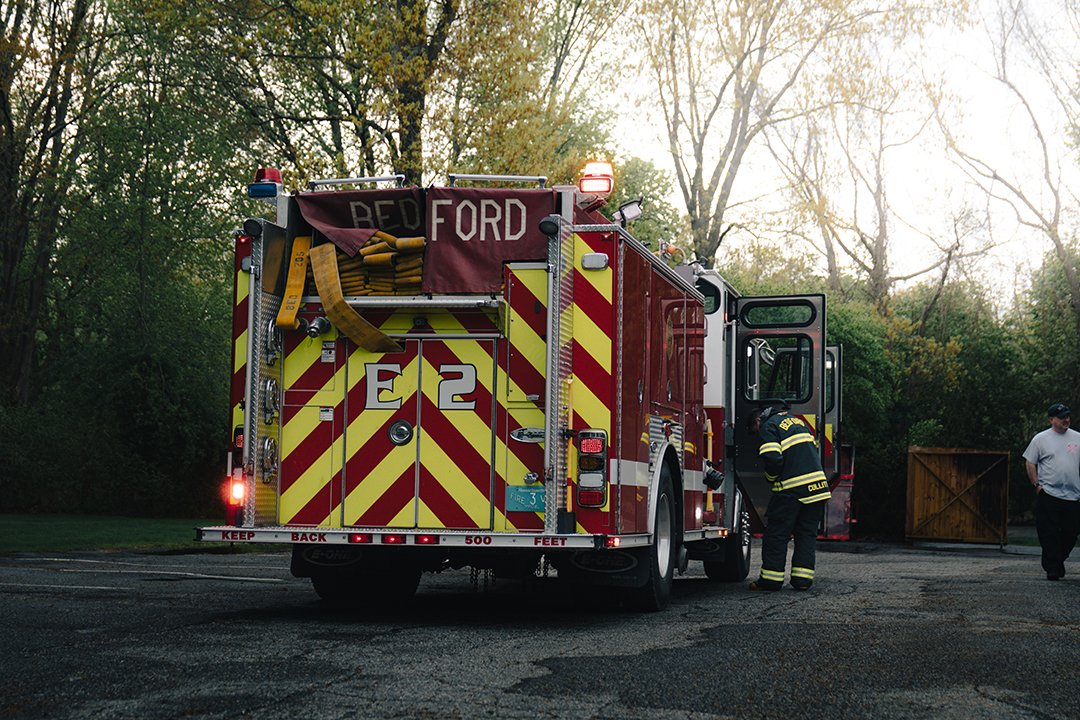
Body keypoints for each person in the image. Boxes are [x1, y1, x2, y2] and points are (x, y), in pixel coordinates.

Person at [747, 405, 831, 591]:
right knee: (806, 535)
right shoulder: (798, 422)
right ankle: (802, 581)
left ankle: (771, 580)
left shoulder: (769, 426)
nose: (758, 434)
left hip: (792, 489)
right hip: (817, 488)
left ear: (758, 420)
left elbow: (772, 458)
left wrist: (770, 478)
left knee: (776, 535)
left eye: (755, 430)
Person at [1022, 403, 1080, 581]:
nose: (1066, 420)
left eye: (1068, 416)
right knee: (1049, 532)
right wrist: (1037, 485)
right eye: (1062, 417)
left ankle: (1057, 560)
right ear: (1051, 419)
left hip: (1073, 495)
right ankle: (1052, 568)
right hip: (1049, 493)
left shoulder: (1077, 437)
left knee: (1071, 531)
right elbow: (1030, 461)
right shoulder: (1041, 439)